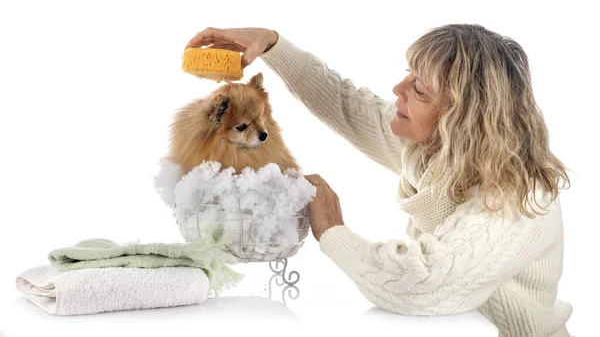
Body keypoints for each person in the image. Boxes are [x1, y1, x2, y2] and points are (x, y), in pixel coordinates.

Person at [186, 25, 572, 337]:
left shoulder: (518, 198)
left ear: (462, 119)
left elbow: (423, 286)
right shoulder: (434, 150)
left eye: (419, 89)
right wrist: (271, 43)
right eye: (409, 74)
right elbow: (345, 103)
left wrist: (332, 230)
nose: (398, 90)